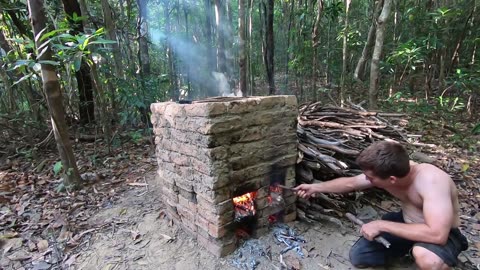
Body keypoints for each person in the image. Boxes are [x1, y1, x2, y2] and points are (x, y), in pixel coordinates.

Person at [294, 141, 468, 270]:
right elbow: (351, 183)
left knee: (427, 259)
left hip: (441, 233)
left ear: (391, 179)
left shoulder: (432, 181)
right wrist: (314, 187)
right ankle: (408, 254)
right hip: (408, 225)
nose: (367, 181)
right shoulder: (388, 171)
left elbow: (438, 235)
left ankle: (443, 262)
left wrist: (381, 225)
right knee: (360, 256)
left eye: (370, 179)